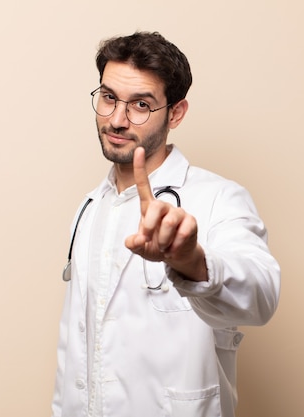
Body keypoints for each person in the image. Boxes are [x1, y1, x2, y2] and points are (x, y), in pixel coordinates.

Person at [52, 31, 280, 417]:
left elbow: (261, 297)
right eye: (108, 98)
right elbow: (73, 350)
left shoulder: (218, 198)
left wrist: (193, 262)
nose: (117, 120)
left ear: (175, 113)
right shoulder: (89, 208)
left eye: (141, 104)